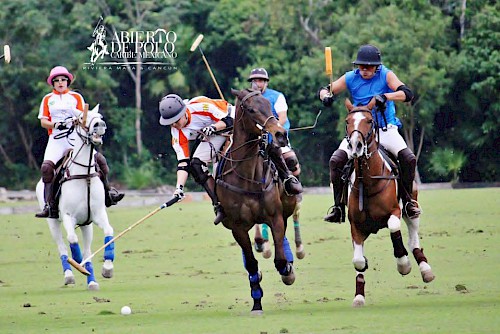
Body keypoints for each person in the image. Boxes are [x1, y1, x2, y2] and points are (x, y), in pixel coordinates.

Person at [317, 44, 421, 223]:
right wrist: (326, 96)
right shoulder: (351, 77)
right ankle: (338, 207)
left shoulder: (386, 75)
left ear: (377, 66)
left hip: (385, 129)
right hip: (360, 131)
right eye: (361, 66)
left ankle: (408, 202)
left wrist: (386, 97)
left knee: (409, 159)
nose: (364, 70)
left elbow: (407, 94)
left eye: (369, 66)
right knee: (336, 161)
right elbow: (325, 89)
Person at [35, 66, 124, 218]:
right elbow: (43, 121)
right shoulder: (48, 99)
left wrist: (78, 123)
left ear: (68, 81)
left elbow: (85, 118)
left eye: (63, 80)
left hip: (75, 138)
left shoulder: (76, 97)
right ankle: (49, 206)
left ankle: (108, 193)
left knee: (100, 160)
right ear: (53, 83)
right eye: (57, 81)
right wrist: (56, 125)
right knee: (46, 168)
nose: (60, 83)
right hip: (56, 140)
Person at [159, 94, 234, 225]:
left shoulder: (201, 106)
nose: (175, 125)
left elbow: (229, 121)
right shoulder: (176, 131)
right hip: (213, 136)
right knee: (196, 165)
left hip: (228, 121)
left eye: (176, 121)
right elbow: (183, 163)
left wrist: (213, 127)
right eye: (171, 123)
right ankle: (219, 205)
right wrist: (179, 188)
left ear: (184, 113)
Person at [247, 68, 303, 195]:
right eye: (254, 80)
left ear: (266, 82)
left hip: (275, 138)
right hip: (254, 140)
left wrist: (267, 130)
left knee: (290, 159)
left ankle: (295, 189)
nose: (257, 83)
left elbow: (282, 118)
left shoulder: (276, 96)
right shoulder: (248, 98)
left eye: (261, 80)